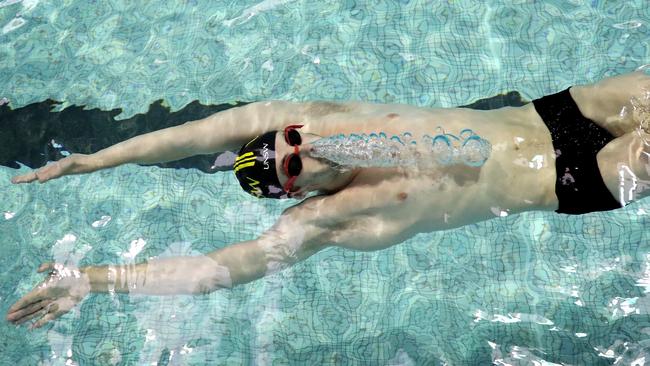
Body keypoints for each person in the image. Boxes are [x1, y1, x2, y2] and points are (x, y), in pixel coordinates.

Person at [6, 71, 650, 329]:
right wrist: (94, 280)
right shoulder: (328, 219)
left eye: (291, 141)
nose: (303, 148)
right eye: (293, 164)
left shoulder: (316, 119)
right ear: (295, 189)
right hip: (573, 179)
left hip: (551, 115)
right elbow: (215, 272)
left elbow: (193, 135)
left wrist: (94, 158)